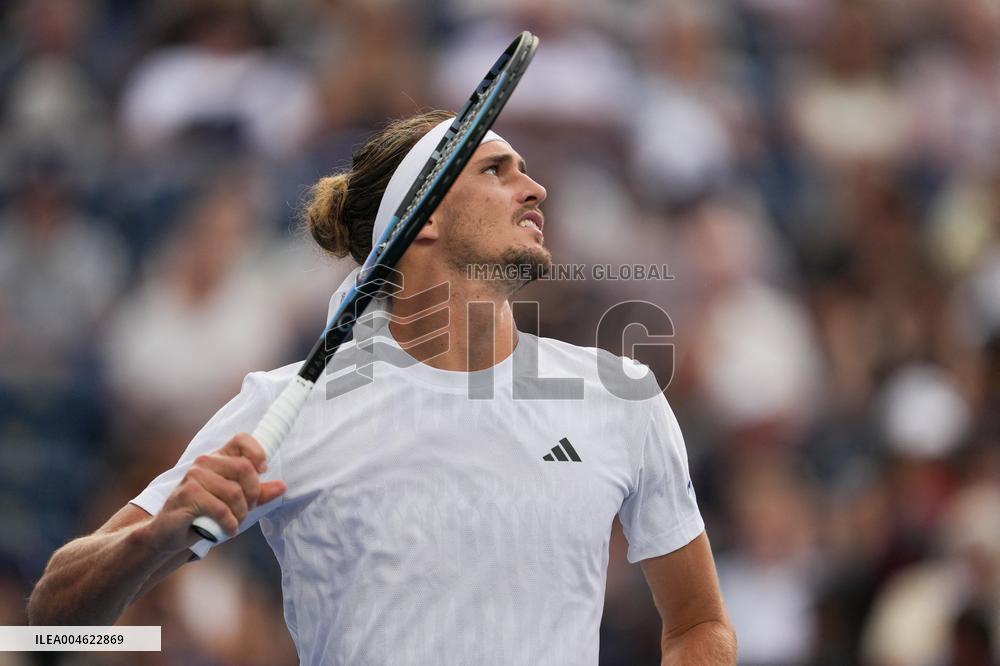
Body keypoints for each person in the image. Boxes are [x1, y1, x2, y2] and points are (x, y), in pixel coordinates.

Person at [28, 109, 737, 664]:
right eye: (496, 169)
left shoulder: (621, 395)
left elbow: (700, 623)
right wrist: (153, 539)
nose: (535, 186)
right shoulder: (282, 409)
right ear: (423, 218)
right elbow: (50, 627)